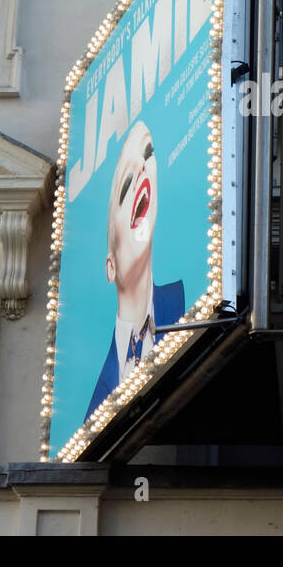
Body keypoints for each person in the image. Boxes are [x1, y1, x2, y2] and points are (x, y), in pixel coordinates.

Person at [85, 121, 184, 420]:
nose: (142, 170)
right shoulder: (96, 406)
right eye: (126, 185)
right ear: (110, 266)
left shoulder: (190, 302)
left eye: (149, 154)